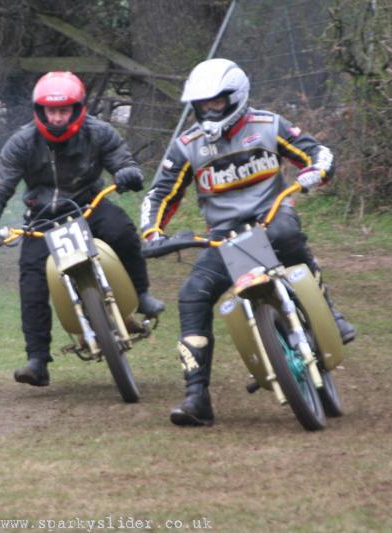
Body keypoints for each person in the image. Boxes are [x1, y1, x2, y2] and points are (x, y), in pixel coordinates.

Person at [140, 59, 356, 427]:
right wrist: (152, 233)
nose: (207, 111)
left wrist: (315, 171)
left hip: (271, 220)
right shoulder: (187, 146)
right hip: (223, 239)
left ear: (236, 97)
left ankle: (330, 314)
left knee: (289, 236)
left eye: (215, 103)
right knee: (192, 294)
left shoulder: (268, 125)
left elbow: (316, 151)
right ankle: (196, 396)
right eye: (201, 105)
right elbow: (161, 194)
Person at [0, 71, 165, 387]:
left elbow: (124, 162)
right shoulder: (22, 142)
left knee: (122, 230)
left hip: (89, 206)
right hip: (43, 218)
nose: (58, 117)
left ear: (77, 110)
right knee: (31, 278)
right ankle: (37, 359)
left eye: (64, 110)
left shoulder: (99, 132)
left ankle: (141, 294)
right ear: (41, 111)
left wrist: (129, 174)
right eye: (52, 111)